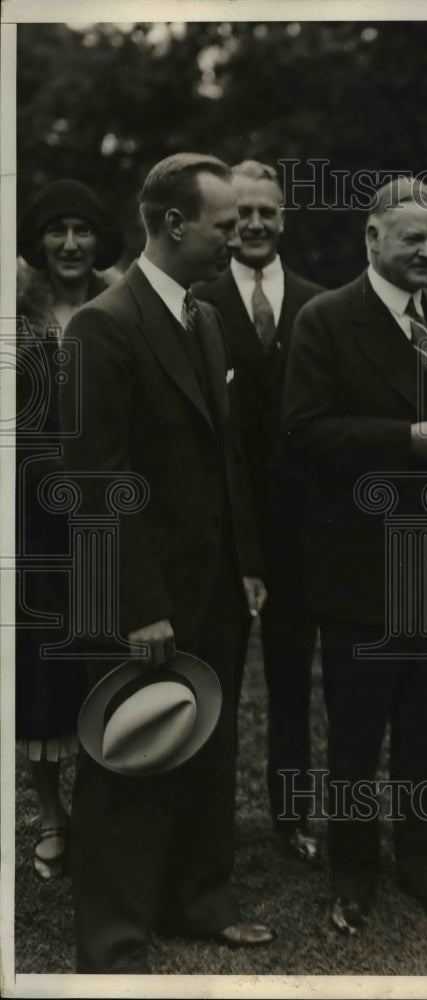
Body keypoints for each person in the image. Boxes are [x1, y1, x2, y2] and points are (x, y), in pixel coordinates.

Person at [60, 153, 272, 973]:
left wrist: (246, 563)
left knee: (207, 747)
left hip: (213, 584)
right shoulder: (103, 325)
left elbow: (227, 458)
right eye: (224, 225)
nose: (236, 238)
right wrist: (138, 605)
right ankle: (114, 938)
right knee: (128, 758)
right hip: (142, 594)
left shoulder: (204, 317)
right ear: (174, 224)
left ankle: (198, 899)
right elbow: (96, 482)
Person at [282, 177, 427, 935]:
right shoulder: (324, 319)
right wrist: (404, 440)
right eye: (414, 239)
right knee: (355, 737)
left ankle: (423, 866)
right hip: (358, 572)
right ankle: (352, 875)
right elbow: (304, 433)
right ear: (372, 238)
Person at [194, 161, 323, 863]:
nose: (253, 224)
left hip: (299, 530)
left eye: (266, 212)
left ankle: (290, 815)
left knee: (291, 678)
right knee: (215, 675)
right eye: (241, 212)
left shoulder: (317, 304)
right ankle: (208, 820)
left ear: (283, 219)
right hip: (224, 531)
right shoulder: (199, 301)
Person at [16, 179, 123, 880]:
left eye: (83, 230)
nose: (71, 243)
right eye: (57, 230)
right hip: (36, 524)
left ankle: (108, 812)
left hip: (115, 517)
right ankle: (53, 816)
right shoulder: (15, 321)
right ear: (38, 241)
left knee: (109, 662)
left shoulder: (122, 311)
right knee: (43, 670)